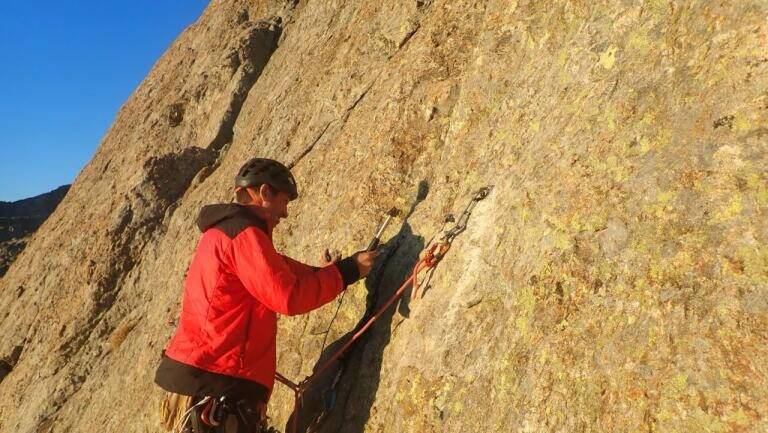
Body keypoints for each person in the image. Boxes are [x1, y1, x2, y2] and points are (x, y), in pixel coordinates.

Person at [154, 158, 378, 432]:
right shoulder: (244, 234)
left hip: (204, 379)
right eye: (284, 201)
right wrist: (349, 271)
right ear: (264, 193)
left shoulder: (224, 233)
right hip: (219, 383)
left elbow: (279, 269)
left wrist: (326, 272)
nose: (285, 213)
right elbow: (287, 296)